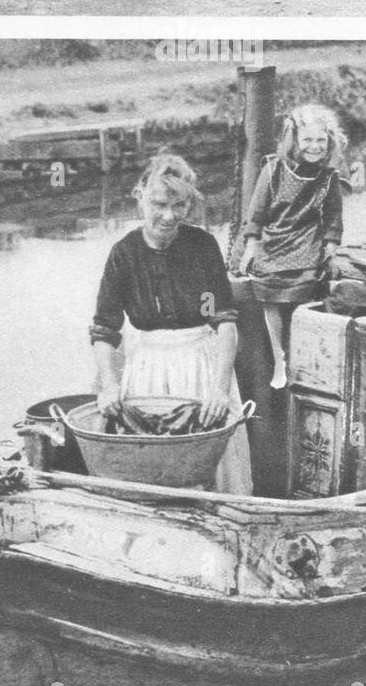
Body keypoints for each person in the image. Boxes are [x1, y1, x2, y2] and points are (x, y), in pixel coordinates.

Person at [90, 152, 252, 494]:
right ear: (141, 197)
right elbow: (106, 328)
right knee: (148, 465)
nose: (168, 216)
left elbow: (221, 319)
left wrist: (220, 390)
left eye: (179, 206)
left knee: (209, 465)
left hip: (200, 365)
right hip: (148, 367)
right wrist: (108, 385)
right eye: (159, 204)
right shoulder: (125, 254)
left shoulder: (202, 247)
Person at [238, 105, 346, 388]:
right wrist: (250, 248)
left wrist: (331, 249)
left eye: (320, 140)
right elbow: (257, 213)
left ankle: (303, 357)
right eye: (307, 140)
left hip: (308, 240)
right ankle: (279, 359)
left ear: (329, 141)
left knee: (307, 290)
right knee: (269, 295)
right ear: (295, 141)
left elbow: (334, 217)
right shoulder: (273, 170)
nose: (314, 147)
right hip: (274, 241)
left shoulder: (329, 177)